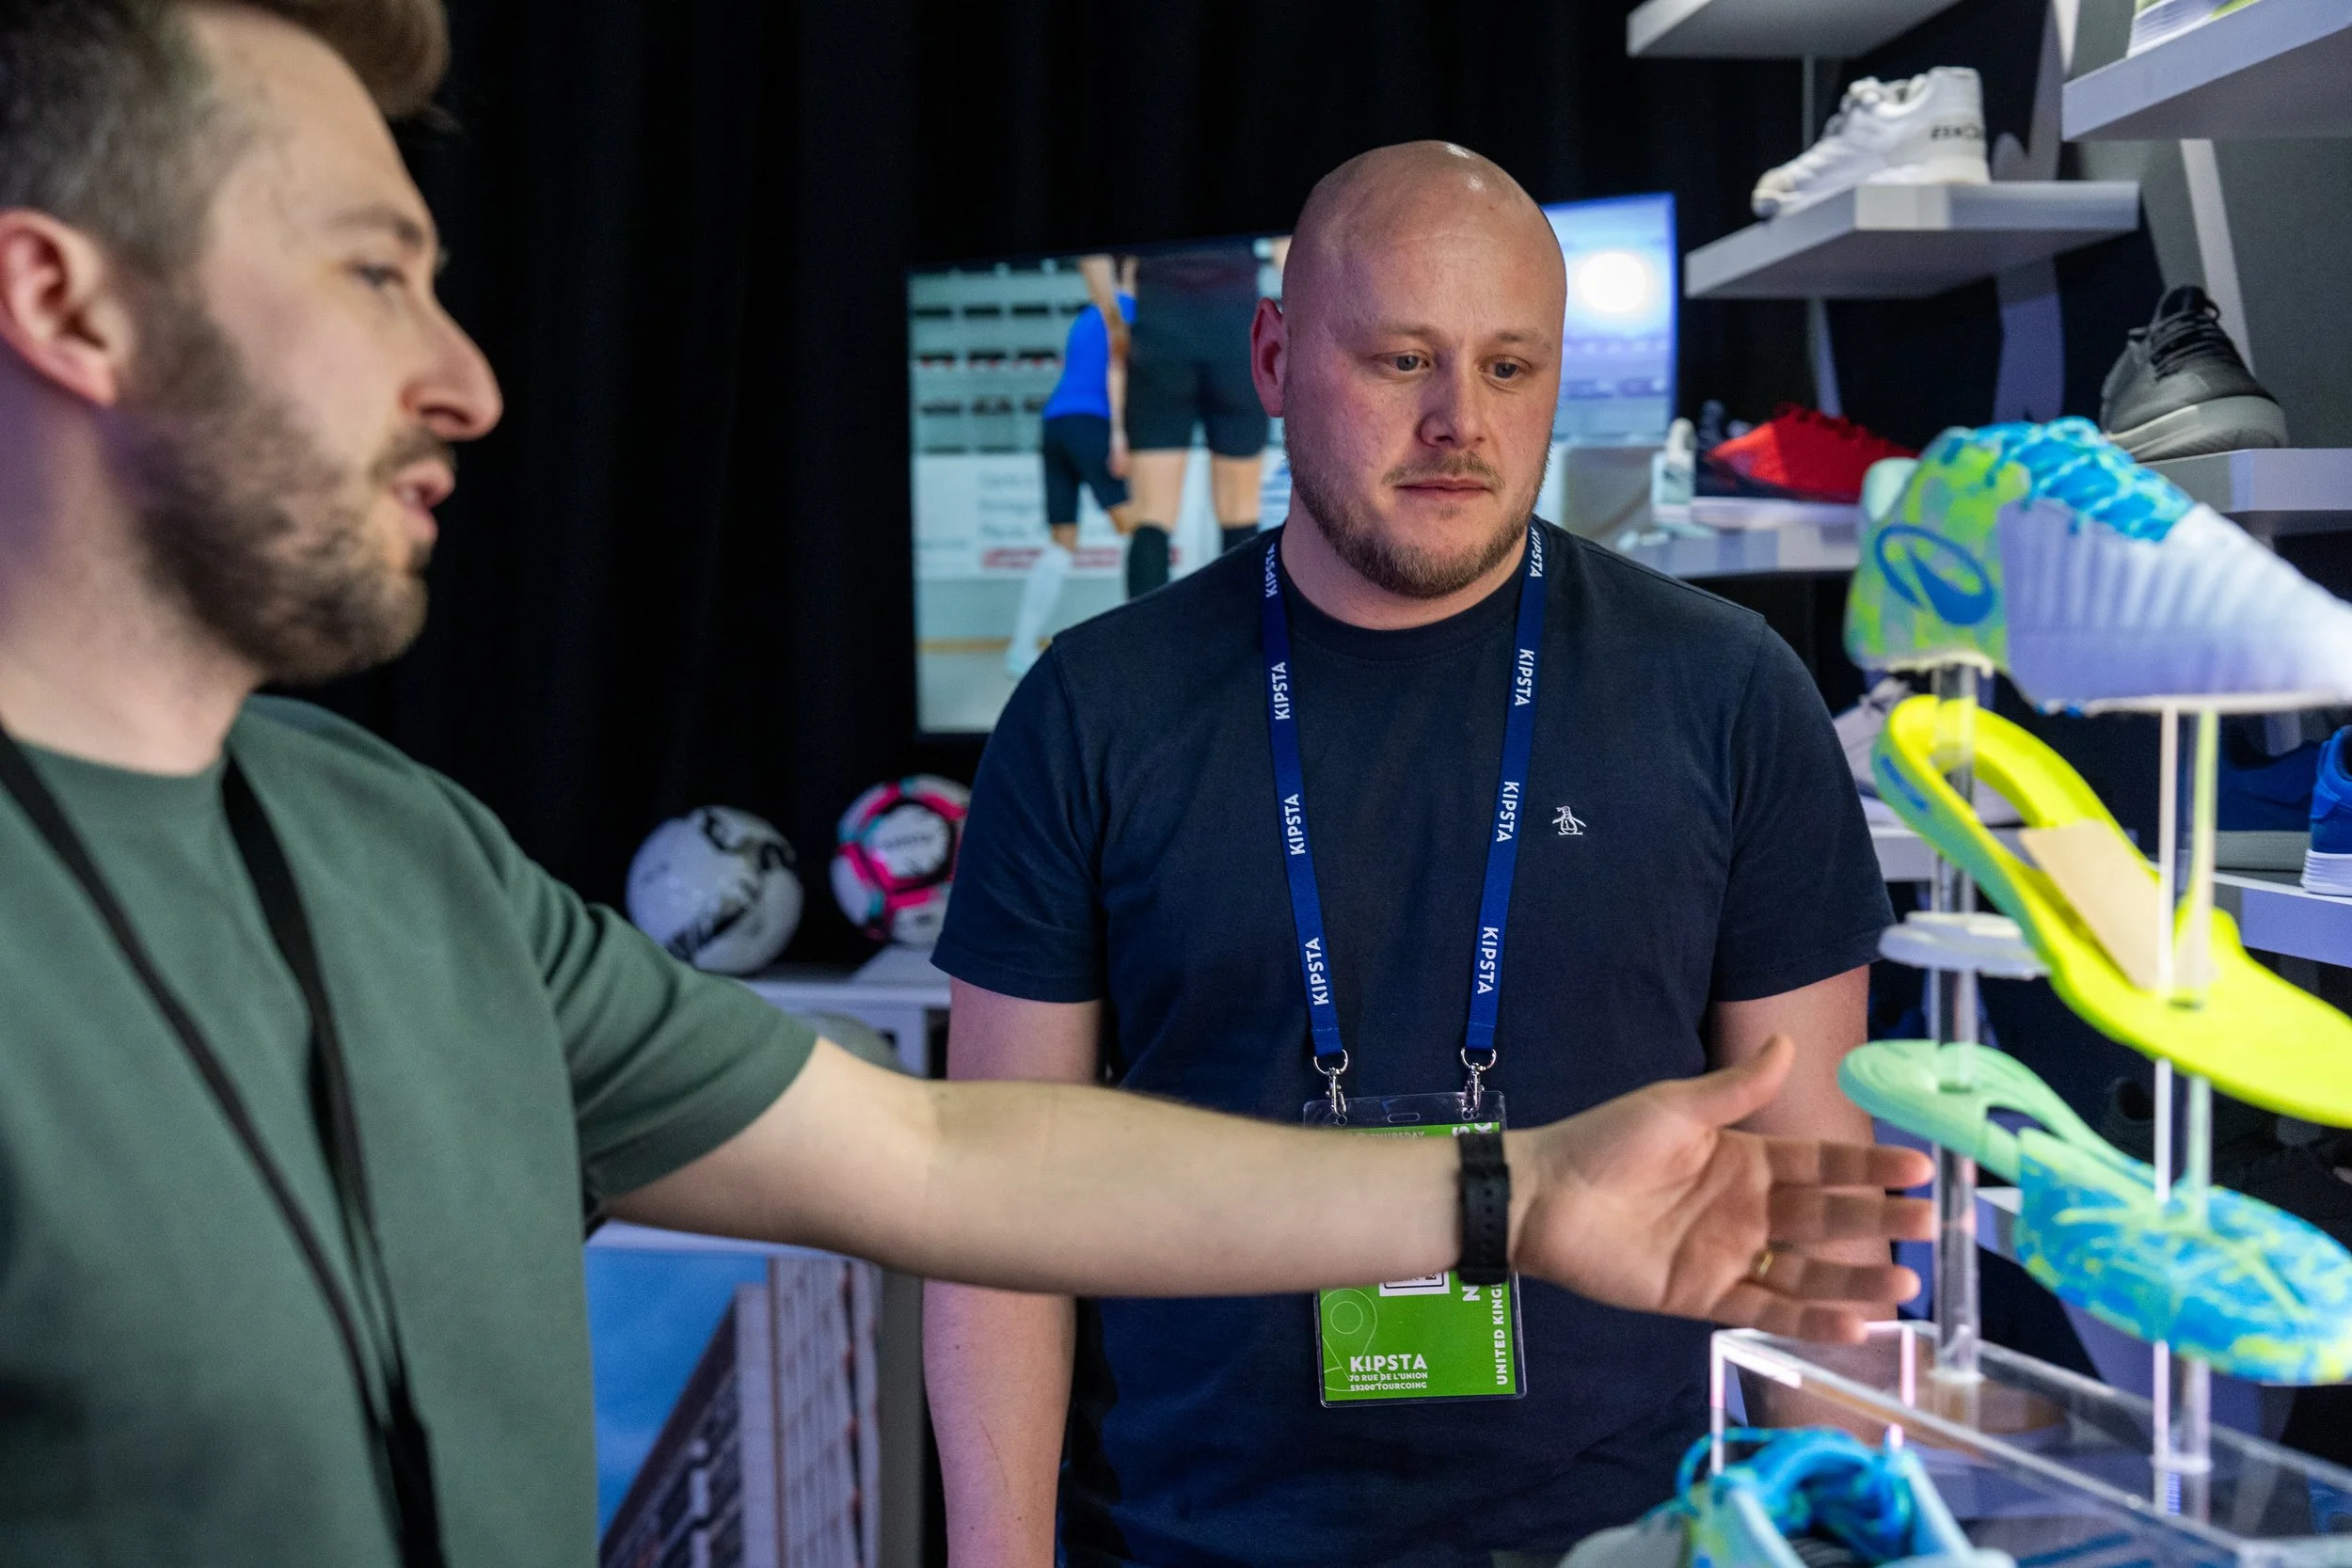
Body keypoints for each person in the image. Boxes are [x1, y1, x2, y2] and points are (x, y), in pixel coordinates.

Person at [0, 8, 1933, 1564]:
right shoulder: (1100, 706)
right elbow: (969, 1177)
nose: (468, 379)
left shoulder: (405, 859)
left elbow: (939, 1164)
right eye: (370, 270)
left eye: (1508, 365)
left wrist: (1517, 1203)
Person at [930, 142, 1900, 1568]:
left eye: (1512, 367)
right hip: (1190, 1533)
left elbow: (1810, 1174)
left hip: (1632, 1534)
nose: (1461, 421)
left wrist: (1865, 1530)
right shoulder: (1092, 709)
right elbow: (996, 1213)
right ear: (1271, 355)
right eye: (1400, 360)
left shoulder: (1728, 690)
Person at [1120, 236, 1285, 598]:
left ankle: (1144, 653)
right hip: (1234, 331)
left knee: (1152, 516)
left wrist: (1114, 314)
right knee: (1239, 511)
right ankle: (1243, 651)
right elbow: (1285, 252)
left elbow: (1106, 266)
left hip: (1160, 329)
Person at [1008, 254, 1137, 680]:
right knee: (1139, 532)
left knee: (1062, 543)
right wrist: (1120, 437)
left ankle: (1019, 649)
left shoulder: (1085, 316)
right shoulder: (1130, 312)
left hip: (1054, 424)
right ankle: (1147, 649)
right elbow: (1116, 376)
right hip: (1091, 423)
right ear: (1131, 269)